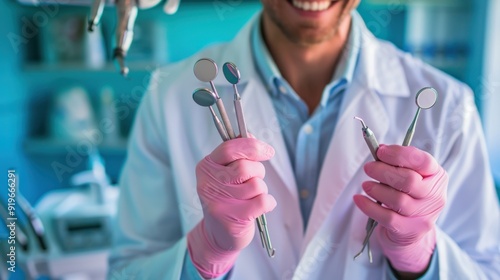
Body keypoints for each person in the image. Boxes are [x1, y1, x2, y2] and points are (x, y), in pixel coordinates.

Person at [109, 0, 500, 279]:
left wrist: (420, 258)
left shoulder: (450, 105)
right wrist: (203, 254)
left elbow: (485, 270)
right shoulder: (169, 96)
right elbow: (126, 271)